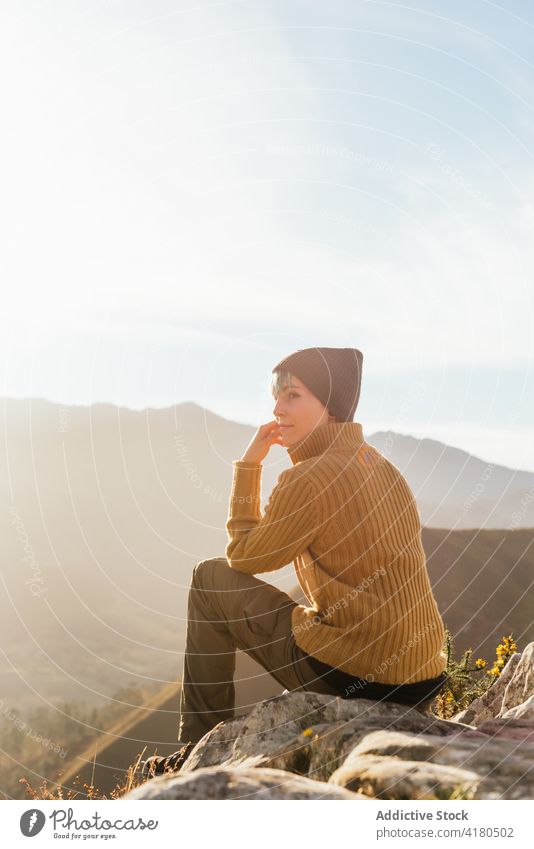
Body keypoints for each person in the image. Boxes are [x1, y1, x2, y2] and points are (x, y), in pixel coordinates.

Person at [142, 347, 448, 779]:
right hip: (421, 679)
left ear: (330, 407)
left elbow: (244, 557)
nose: (277, 408)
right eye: (275, 394)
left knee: (210, 579)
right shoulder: (383, 466)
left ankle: (194, 753)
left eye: (293, 396)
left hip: (361, 678)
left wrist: (248, 466)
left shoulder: (310, 477)